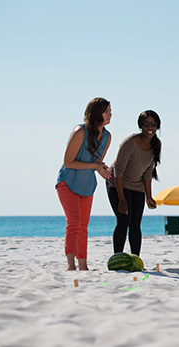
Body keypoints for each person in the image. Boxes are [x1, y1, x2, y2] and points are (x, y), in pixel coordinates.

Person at [56, 97, 112, 270]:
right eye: (107, 111)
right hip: (68, 182)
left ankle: (83, 265)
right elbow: (68, 162)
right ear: (97, 113)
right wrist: (95, 166)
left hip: (87, 185)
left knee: (83, 226)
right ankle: (71, 265)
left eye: (110, 111)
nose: (111, 114)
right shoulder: (79, 131)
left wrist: (101, 169)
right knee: (74, 223)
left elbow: (96, 162)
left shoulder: (108, 137)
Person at [106, 111, 161, 256]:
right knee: (124, 220)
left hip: (137, 185)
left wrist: (149, 196)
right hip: (117, 183)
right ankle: (118, 258)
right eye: (146, 123)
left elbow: (149, 171)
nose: (150, 127)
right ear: (140, 126)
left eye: (153, 124)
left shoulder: (156, 144)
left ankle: (135, 258)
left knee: (135, 223)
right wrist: (122, 199)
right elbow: (118, 170)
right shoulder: (129, 143)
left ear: (157, 126)